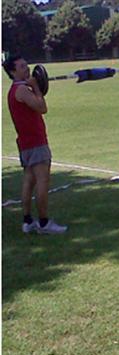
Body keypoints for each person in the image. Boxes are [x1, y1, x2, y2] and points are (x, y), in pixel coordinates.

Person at [3, 54, 68, 234]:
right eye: (22, 67)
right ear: (13, 71)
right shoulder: (22, 90)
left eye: (27, 65)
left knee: (29, 181)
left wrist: (33, 86)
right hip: (35, 142)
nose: (27, 69)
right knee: (42, 181)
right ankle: (44, 223)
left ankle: (27, 221)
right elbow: (42, 108)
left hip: (26, 142)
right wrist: (37, 89)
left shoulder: (16, 89)